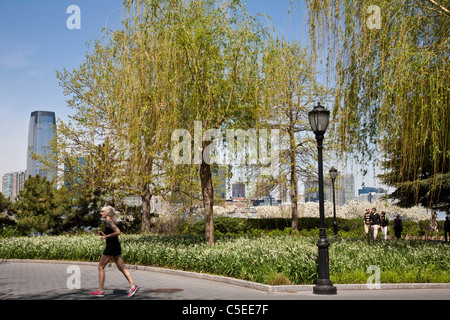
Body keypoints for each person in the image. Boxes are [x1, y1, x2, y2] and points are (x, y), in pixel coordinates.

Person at [90, 206, 139, 298]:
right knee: (121, 268)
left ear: (107, 213)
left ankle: (100, 291)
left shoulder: (109, 222)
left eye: (103, 211)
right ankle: (133, 286)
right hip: (116, 246)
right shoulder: (109, 222)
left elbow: (118, 232)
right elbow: (113, 234)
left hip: (111, 247)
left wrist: (106, 237)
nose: (101, 213)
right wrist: (104, 234)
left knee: (100, 267)